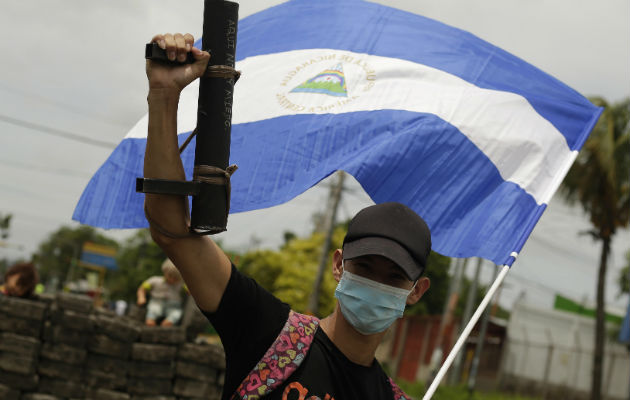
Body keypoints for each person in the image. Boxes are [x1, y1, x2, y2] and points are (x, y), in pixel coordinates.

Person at [144, 33, 432, 400]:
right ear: (339, 265)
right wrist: (165, 95)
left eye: (393, 277)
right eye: (365, 268)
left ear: (415, 292)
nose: (376, 284)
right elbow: (172, 232)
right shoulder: (270, 333)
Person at [136, 258, 185, 326]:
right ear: (165, 271)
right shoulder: (156, 280)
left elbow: (191, 291)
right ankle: (150, 320)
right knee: (154, 309)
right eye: (170, 276)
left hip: (173, 305)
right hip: (157, 302)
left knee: (176, 314)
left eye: (176, 278)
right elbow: (142, 288)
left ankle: (167, 323)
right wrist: (141, 297)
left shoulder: (181, 285)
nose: (172, 280)